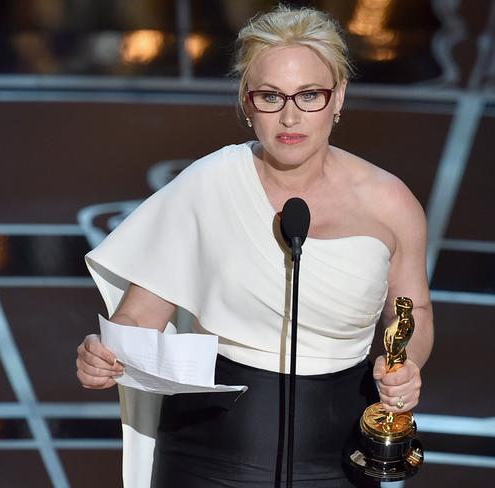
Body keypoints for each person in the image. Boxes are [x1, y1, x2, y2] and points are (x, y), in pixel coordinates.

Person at [75, 6, 433, 487]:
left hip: (338, 455)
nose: (290, 116)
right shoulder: (209, 183)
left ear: (338, 97)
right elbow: (139, 317)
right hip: (207, 451)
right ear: (247, 103)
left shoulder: (391, 203)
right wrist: (104, 353)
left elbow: (414, 313)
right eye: (270, 97)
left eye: (309, 95)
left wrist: (406, 366)